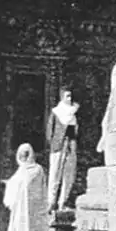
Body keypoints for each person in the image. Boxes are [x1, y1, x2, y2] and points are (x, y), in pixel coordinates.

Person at [2, 144, 48, 231]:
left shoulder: (37, 169)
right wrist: (10, 184)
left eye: (26, 154)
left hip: (28, 209)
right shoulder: (20, 170)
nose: (23, 157)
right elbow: (15, 183)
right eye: (21, 154)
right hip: (17, 209)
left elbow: (31, 186)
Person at [46, 86, 79, 215]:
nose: (70, 99)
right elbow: (50, 132)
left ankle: (62, 202)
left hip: (71, 146)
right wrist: (56, 143)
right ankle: (51, 202)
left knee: (69, 174)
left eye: (71, 96)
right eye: (67, 96)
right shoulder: (56, 112)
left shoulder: (74, 112)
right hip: (58, 147)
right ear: (62, 97)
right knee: (55, 174)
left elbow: (76, 130)